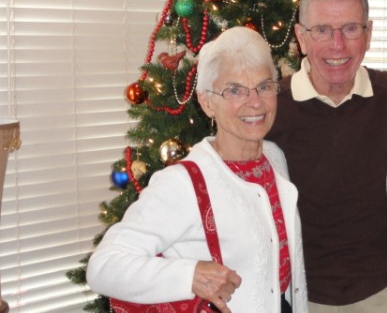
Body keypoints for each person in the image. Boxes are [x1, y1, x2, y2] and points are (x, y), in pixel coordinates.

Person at [87, 27, 308, 313]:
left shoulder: (274, 157)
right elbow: (104, 267)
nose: (255, 102)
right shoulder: (182, 183)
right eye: (234, 90)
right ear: (206, 102)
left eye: (264, 86)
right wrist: (189, 276)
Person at [267, 0, 387, 312]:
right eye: (322, 30)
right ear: (301, 37)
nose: (337, 45)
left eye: (350, 29)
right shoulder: (272, 106)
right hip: (303, 295)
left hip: (385, 291)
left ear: (368, 34)